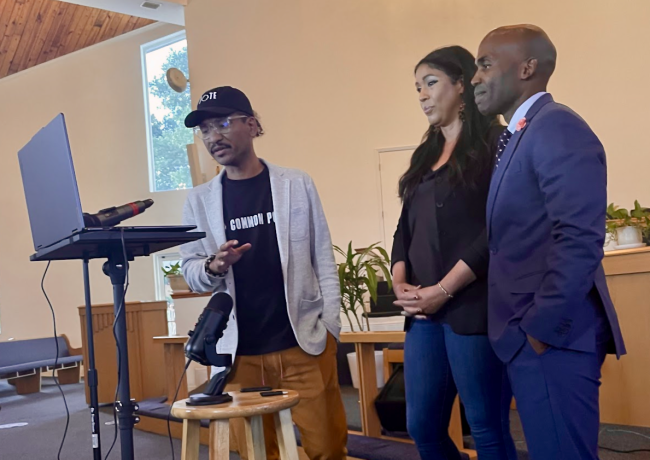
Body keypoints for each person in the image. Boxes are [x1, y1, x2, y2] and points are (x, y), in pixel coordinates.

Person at [471, 25, 626, 459]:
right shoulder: (522, 133)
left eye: (485, 64)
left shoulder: (557, 127)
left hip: (553, 339)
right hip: (534, 338)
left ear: (527, 68)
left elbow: (579, 239)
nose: (475, 77)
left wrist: (539, 328)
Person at [179, 86, 347, 460]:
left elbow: (323, 258)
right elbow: (190, 268)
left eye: (222, 123)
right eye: (205, 129)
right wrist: (213, 266)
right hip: (240, 355)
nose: (213, 137)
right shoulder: (199, 201)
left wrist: (331, 327)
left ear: (252, 125)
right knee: (258, 453)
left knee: (328, 449)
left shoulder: (296, 184)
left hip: (302, 344)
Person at [391, 46, 517, 460]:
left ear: (461, 85)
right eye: (416, 88)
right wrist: (400, 281)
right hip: (424, 314)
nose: (422, 96)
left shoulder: (497, 144)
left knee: (486, 427)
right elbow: (404, 229)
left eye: (431, 83)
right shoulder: (423, 156)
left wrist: (444, 289)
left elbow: (495, 230)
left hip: (474, 306)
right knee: (422, 426)